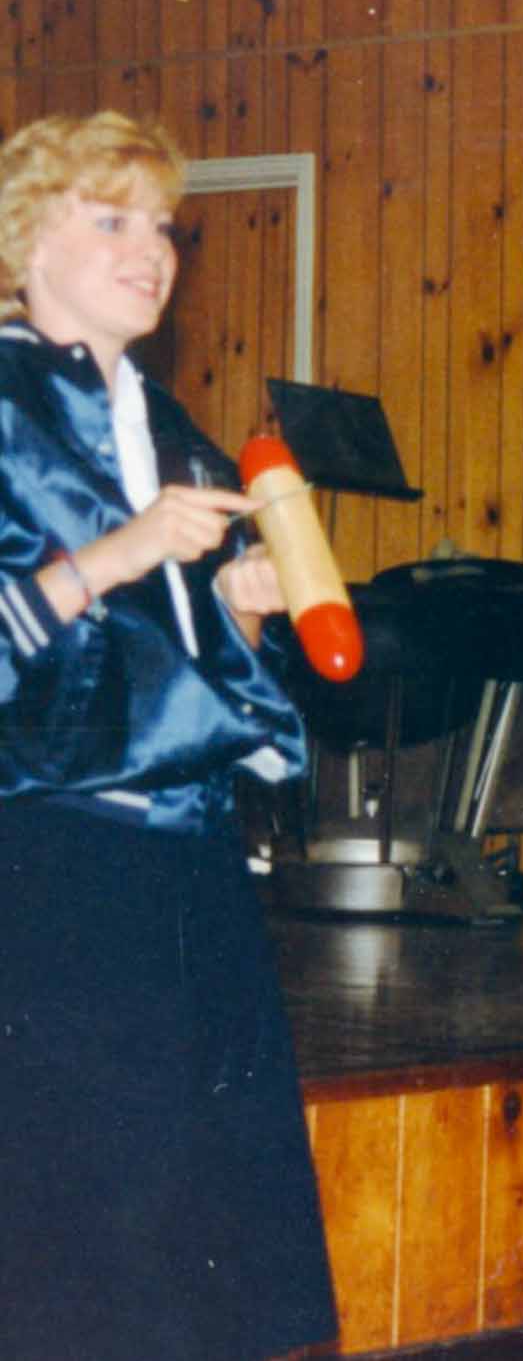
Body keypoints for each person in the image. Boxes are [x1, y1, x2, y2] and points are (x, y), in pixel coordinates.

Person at [0, 110, 337, 1358]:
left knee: (206, 1236)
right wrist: (124, 552)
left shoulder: (167, 423)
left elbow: (182, 680)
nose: (150, 252)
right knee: (85, 1243)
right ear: (25, 240)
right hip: (54, 862)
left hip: (187, 863)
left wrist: (240, 613)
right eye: (110, 221)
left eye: (162, 228)